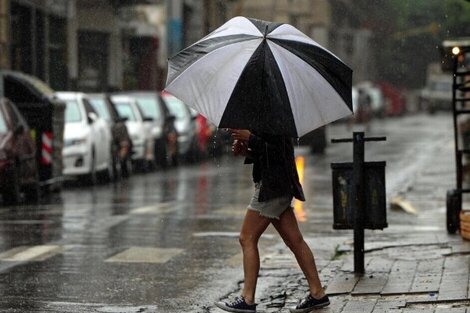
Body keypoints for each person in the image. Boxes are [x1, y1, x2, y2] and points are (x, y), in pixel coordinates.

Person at [215, 129, 330, 313]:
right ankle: (318, 293)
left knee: (247, 238)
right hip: (277, 185)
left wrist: (250, 138)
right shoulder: (267, 114)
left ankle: (247, 298)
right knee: (295, 241)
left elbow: (278, 153)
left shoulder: (275, 116)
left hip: (272, 188)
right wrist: (246, 150)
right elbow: (267, 154)